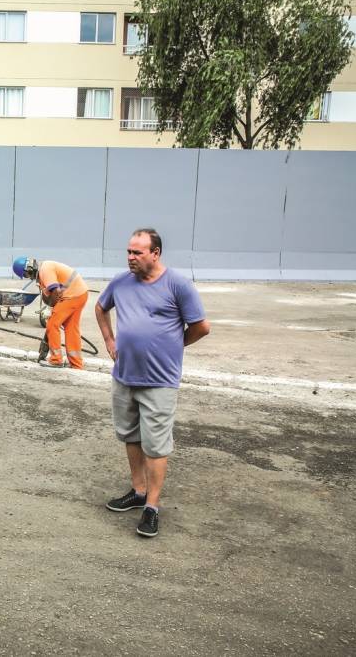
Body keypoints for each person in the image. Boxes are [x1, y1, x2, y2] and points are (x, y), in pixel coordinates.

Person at [95, 228, 210, 538]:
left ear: (155, 253)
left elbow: (202, 327)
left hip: (160, 380)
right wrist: (109, 339)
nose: (131, 257)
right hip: (125, 375)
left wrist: (175, 346)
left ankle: (152, 507)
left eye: (138, 252)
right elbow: (100, 308)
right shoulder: (121, 282)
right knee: (131, 435)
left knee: (156, 445)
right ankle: (138, 490)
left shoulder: (177, 285)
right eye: (129, 252)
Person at [12, 255, 89, 369]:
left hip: (71, 296)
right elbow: (49, 295)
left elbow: (56, 291)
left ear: (28, 270)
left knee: (52, 324)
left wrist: (50, 309)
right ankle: (77, 364)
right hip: (80, 294)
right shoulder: (44, 270)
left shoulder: (45, 270)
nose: (28, 277)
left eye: (25, 275)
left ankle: (56, 359)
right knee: (71, 328)